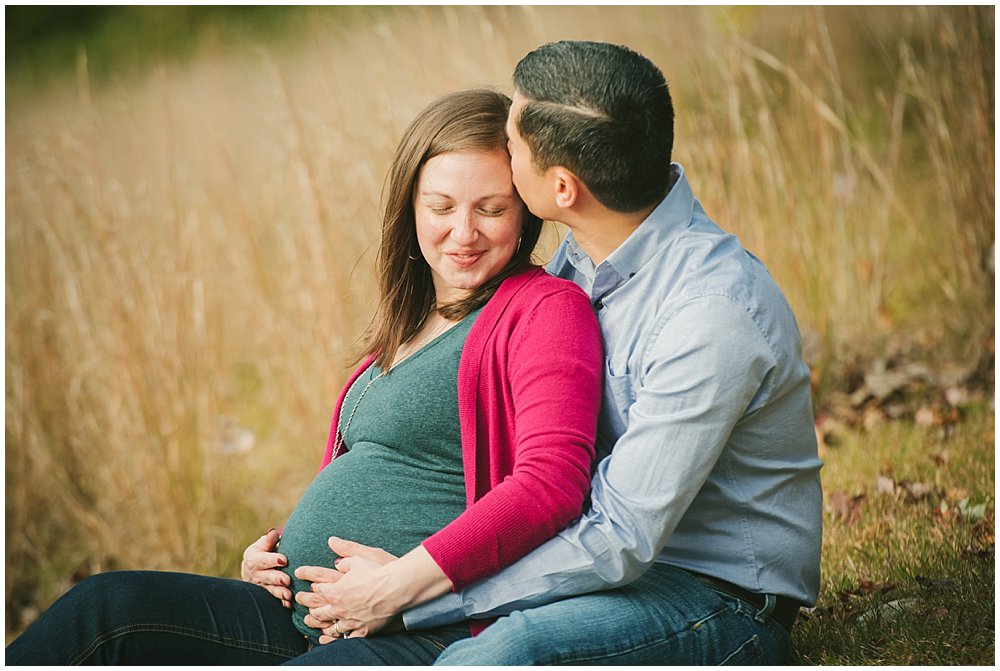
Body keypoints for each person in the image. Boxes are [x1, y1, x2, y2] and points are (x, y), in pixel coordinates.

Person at [4, 88, 603, 665]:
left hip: (424, 633)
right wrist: (278, 554)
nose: (463, 232)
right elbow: (381, 466)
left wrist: (399, 583)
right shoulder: (412, 320)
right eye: (441, 207)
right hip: (307, 617)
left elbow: (550, 484)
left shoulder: (545, 308)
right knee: (107, 610)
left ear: (525, 210)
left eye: (491, 209)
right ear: (411, 206)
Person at [300, 41, 823, 666]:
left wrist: (411, 595)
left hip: (710, 596)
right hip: (596, 576)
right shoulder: (577, 262)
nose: (503, 146)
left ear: (562, 187)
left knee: (490, 659)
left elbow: (622, 540)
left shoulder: (711, 314)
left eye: (513, 145)